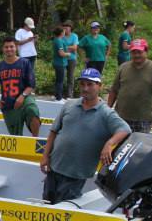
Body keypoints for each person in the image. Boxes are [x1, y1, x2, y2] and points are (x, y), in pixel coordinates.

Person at [40, 67, 131, 203]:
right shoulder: (69, 105)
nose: (85, 88)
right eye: (82, 84)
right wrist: (45, 156)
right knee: (46, 203)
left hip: (76, 174)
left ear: (99, 86)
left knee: (64, 208)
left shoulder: (106, 113)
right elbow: (53, 131)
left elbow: (125, 129)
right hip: (54, 167)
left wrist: (109, 144)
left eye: (90, 84)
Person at [107, 38, 152, 133]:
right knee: (120, 146)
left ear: (146, 52)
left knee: (140, 146)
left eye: (139, 52)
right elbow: (114, 90)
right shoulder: (123, 67)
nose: (136, 55)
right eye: (134, 52)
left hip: (143, 119)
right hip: (121, 117)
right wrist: (108, 108)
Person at [0, 37, 39, 136]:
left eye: (11, 46)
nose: (9, 49)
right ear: (3, 49)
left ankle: (35, 141)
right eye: (6, 47)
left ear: (16, 48)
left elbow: (31, 85)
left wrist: (22, 96)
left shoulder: (25, 63)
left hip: (25, 98)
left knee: (33, 111)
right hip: (8, 104)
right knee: (15, 136)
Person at [51, 26, 70, 101]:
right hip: (60, 63)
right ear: (61, 33)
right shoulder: (58, 41)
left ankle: (56, 95)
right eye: (64, 31)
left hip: (58, 63)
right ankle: (59, 98)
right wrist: (68, 54)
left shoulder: (57, 40)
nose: (65, 32)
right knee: (60, 81)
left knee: (58, 80)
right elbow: (61, 53)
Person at [62, 21, 79, 99]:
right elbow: (59, 47)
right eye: (64, 27)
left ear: (71, 28)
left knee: (70, 77)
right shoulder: (61, 36)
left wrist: (65, 48)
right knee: (62, 76)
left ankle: (69, 95)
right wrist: (70, 47)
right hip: (62, 58)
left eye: (67, 27)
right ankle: (60, 94)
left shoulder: (74, 36)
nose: (66, 28)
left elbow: (75, 47)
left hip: (72, 59)